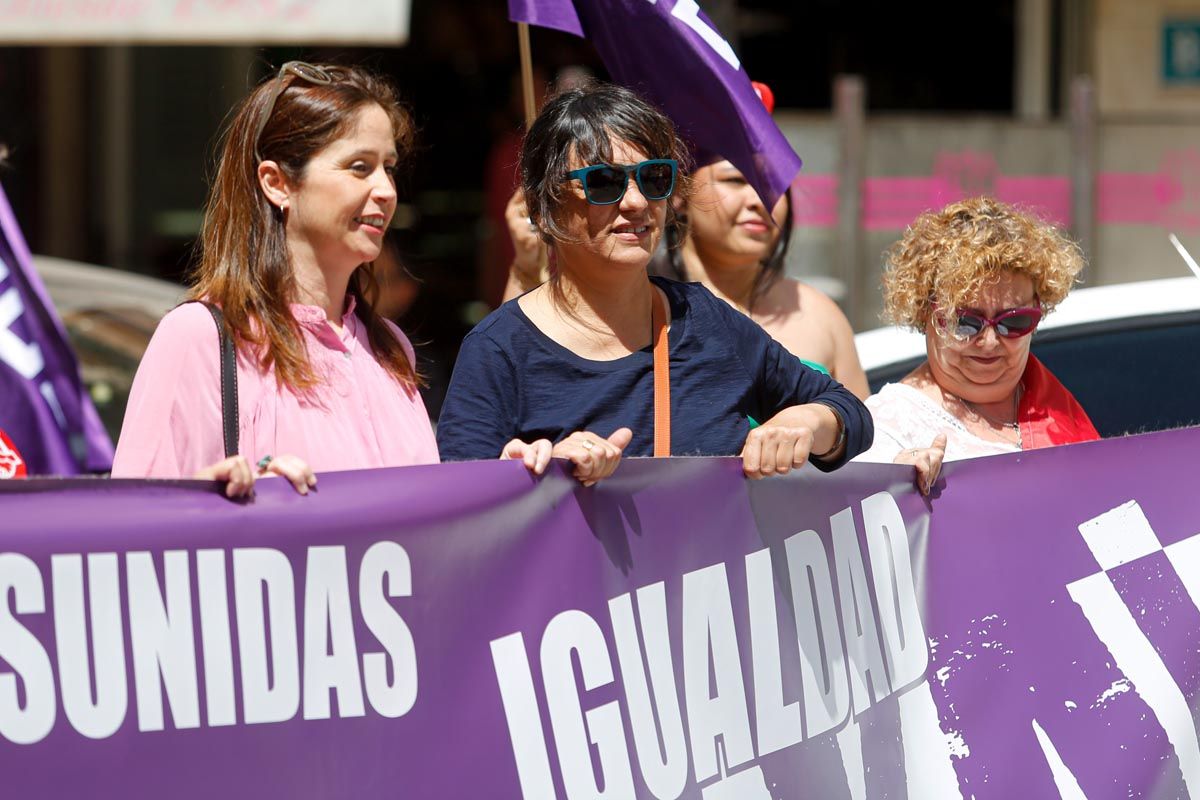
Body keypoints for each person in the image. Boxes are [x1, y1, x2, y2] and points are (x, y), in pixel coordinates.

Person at [436, 83, 872, 484]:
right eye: (603, 182)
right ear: (544, 206)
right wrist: (537, 478)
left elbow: (852, 413)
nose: (637, 202)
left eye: (654, 178)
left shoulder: (704, 320)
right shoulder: (496, 351)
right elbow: (458, 517)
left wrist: (810, 423)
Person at [112, 62, 439, 497]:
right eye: (360, 167)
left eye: (390, 168)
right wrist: (221, 500)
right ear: (277, 182)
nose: (386, 190)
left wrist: (513, 479)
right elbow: (135, 527)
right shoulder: (200, 338)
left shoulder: (391, 350)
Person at [504, 83, 869, 399]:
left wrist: (818, 421)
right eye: (735, 182)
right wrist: (526, 263)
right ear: (677, 191)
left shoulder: (822, 315)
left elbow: (864, 450)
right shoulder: (633, 302)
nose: (761, 201)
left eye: (774, 185)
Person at [855, 196, 1099, 493]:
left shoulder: (1054, 405)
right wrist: (892, 489)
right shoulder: (886, 427)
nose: (990, 340)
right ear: (925, 314)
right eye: (965, 322)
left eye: (1015, 321)